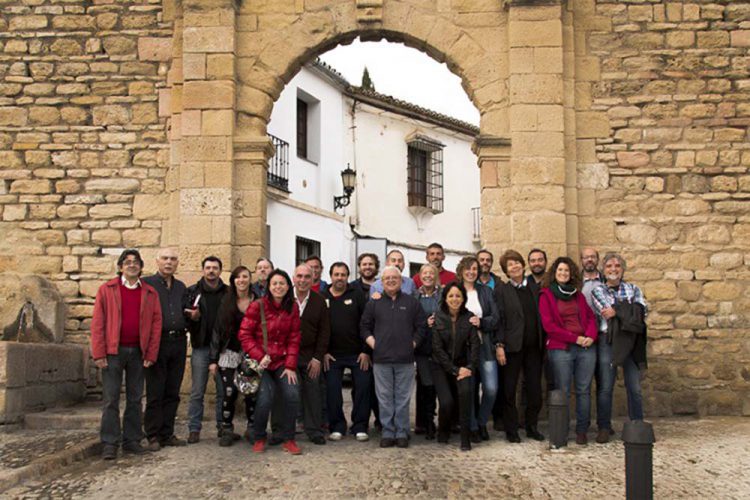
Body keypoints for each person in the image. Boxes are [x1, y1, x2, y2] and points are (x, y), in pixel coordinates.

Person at [90, 249, 162, 460]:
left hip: (138, 352)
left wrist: (151, 352)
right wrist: (99, 352)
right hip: (113, 351)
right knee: (111, 399)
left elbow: (156, 324)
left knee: (135, 398)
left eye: (136, 262)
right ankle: (110, 442)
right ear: (121, 267)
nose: (132, 265)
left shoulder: (149, 293)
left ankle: (131, 440)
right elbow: (98, 323)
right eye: (127, 262)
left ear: (141, 267)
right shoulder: (107, 290)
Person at [361, 266, 426, 448]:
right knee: (384, 397)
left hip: (405, 360)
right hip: (381, 360)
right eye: (387, 278)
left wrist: (412, 344)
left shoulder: (412, 303)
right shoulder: (374, 303)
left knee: (403, 398)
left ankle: (402, 431)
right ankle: (388, 431)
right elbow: (364, 326)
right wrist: (374, 344)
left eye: (394, 278)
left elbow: (421, 327)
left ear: (401, 281)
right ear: (381, 282)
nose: (390, 280)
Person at [240, 269, 303, 455]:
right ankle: (259, 436)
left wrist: (291, 365)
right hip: (262, 364)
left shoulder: (292, 307)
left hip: (282, 361)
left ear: (287, 286)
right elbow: (244, 335)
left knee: (292, 394)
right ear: (268, 286)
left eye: (282, 283)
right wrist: (260, 355)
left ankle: (288, 438)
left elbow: (294, 337)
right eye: (274, 283)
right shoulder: (257, 306)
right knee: (266, 399)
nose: (278, 287)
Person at [538, 257, 598, 445]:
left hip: (585, 348)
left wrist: (590, 336)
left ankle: (582, 431)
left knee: (583, 390)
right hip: (561, 349)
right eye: (560, 270)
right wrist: (575, 338)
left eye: (567, 271)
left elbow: (590, 318)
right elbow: (549, 326)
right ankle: (560, 431)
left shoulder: (577, 295)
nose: (563, 274)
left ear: (571, 274)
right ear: (554, 273)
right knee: (562, 391)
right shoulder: (546, 295)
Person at [591, 253, 648, 444]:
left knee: (634, 386)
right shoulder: (598, 290)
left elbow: (641, 313)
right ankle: (604, 427)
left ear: (623, 269)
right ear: (603, 270)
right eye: (609, 266)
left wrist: (619, 311)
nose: (613, 269)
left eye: (617, 266)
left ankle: (637, 424)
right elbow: (606, 311)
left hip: (631, 342)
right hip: (608, 341)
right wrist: (627, 310)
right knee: (606, 387)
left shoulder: (634, 288)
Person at [494, 250, 545, 443]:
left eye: (517, 263)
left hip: (534, 348)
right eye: (510, 265)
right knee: (509, 390)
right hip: (511, 348)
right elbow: (499, 319)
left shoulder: (534, 287)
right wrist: (499, 345)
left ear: (523, 265)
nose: (514, 267)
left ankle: (531, 426)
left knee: (534, 391)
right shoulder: (502, 290)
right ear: (506, 271)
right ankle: (511, 429)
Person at [143, 248, 189, 451]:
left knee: (173, 391)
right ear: (157, 261)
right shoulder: (147, 284)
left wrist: (192, 316)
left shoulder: (180, 287)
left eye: (173, 259)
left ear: (177, 263)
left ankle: (167, 433)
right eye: (165, 258)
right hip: (157, 343)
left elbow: (186, 312)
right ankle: (152, 435)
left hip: (178, 343)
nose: (169, 262)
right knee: (155, 391)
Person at [322, 262, 371, 442]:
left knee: (363, 387)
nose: (340, 278)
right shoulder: (322, 296)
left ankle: (360, 425)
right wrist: (324, 352)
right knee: (333, 391)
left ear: (347, 276)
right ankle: (337, 426)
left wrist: (366, 351)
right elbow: (319, 327)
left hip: (358, 353)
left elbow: (366, 322)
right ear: (331, 276)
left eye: (343, 275)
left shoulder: (357, 294)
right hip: (332, 355)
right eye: (336, 274)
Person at [208, 266, 256, 447]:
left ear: (250, 279)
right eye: (238, 277)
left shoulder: (257, 300)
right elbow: (217, 331)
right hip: (229, 352)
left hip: (251, 353)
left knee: (251, 392)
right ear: (233, 280)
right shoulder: (226, 300)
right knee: (229, 392)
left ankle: (252, 428)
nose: (241, 280)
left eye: (245, 276)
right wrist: (213, 360)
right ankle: (226, 429)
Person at [455, 255, 500, 442]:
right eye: (468, 268)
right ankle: (472, 427)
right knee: (469, 390)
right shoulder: (455, 291)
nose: (471, 272)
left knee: (491, 388)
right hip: (463, 348)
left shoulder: (486, 292)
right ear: (461, 271)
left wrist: (481, 322)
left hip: (485, 346)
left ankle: (482, 421)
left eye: (474, 268)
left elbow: (495, 318)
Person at [432, 282, 479, 451]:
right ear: (445, 298)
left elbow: (475, 345)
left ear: (463, 298)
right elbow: (437, 349)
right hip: (441, 367)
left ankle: (465, 438)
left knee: (465, 395)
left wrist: (470, 367)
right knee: (446, 402)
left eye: (458, 296)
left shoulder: (469, 317)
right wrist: (453, 369)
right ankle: (443, 431)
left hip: (463, 366)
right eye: (451, 296)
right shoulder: (437, 317)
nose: (454, 299)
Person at [185, 256, 228, 444]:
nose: (211, 271)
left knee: (222, 390)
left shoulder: (228, 293)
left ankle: (222, 426)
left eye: (215, 268)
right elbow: (184, 317)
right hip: (201, 347)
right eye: (208, 267)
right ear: (203, 270)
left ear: (220, 270)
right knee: (197, 391)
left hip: (223, 349)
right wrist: (193, 319)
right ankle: (194, 428)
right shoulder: (193, 292)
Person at [290, 264, 330, 445]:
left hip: (310, 356)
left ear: (313, 278)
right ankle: (284, 430)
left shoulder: (319, 301)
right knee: (288, 392)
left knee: (313, 392)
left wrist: (317, 358)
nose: (303, 280)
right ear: (293, 278)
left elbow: (324, 332)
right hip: (288, 355)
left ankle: (314, 430)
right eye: (299, 276)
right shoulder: (284, 298)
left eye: (307, 277)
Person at [413, 263, 440, 440]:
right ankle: (427, 422)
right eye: (425, 273)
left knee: (440, 385)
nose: (428, 276)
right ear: (420, 276)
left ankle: (443, 421)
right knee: (426, 385)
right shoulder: (413, 296)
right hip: (421, 347)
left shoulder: (444, 294)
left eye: (431, 273)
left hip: (440, 347)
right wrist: (424, 323)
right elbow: (409, 320)